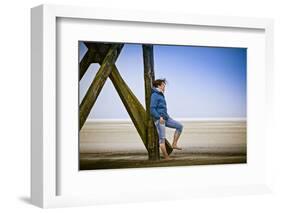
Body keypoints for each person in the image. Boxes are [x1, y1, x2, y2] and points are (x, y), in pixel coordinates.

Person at [150, 78, 184, 160]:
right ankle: (166, 157)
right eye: (163, 85)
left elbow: (161, 108)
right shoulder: (155, 95)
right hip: (160, 120)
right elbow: (152, 109)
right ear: (158, 86)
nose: (164, 87)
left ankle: (174, 144)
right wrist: (159, 117)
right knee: (162, 139)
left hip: (166, 118)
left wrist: (165, 116)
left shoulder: (160, 94)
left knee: (179, 126)